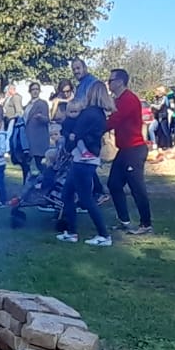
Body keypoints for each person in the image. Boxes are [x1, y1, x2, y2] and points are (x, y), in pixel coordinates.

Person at [54, 83, 112, 246]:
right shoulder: (99, 114)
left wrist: (69, 138)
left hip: (84, 161)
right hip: (83, 159)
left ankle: (104, 235)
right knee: (67, 194)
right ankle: (72, 232)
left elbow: (75, 134)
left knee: (86, 198)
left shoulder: (88, 113)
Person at [105, 68, 152, 236]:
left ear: (119, 82)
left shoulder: (128, 99)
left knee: (137, 187)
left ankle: (146, 223)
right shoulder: (118, 99)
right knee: (114, 184)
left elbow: (114, 121)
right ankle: (124, 221)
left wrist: (93, 127)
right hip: (124, 150)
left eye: (111, 80)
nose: (109, 83)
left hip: (134, 149)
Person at [22, 82, 51, 179]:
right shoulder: (28, 104)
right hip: (28, 136)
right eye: (33, 89)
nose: (35, 91)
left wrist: (40, 117)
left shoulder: (42, 103)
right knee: (26, 161)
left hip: (39, 137)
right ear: (30, 91)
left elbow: (47, 119)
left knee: (39, 162)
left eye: (37, 89)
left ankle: (48, 179)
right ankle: (29, 180)